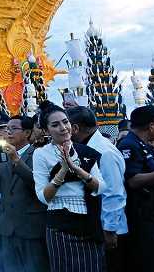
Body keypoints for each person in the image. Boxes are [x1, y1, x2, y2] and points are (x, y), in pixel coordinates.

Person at [33, 103, 105, 272]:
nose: (63, 128)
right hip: (60, 226)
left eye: (65, 122)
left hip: (89, 223)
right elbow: (44, 197)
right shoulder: (41, 154)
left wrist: (78, 170)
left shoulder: (85, 152)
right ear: (46, 131)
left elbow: (100, 188)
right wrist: (63, 171)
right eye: (55, 125)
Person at [0, 116, 48, 272]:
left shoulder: (38, 154)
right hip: (7, 226)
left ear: (26, 132)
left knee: (35, 268)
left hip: (31, 227)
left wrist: (16, 160)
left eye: (13, 129)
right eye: (7, 129)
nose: (8, 132)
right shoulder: (2, 155)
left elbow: (37, 185)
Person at [67, 106, 128, 271]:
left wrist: (109, 230)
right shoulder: (85, 147)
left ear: (75, 128)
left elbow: (114, 194)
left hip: (108, 229)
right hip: (94, 226)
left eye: (65, 125)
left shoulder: (104, 151)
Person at [116, 105, 154, 270]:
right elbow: (132, 180)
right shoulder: (129, 145)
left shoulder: (144, 144)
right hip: (140, 216)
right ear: (151, 125)